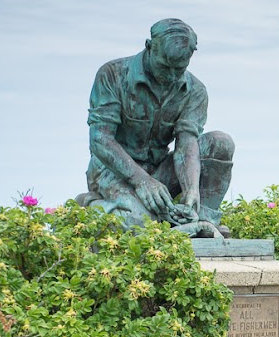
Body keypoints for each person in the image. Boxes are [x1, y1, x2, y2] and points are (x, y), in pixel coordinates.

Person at [76, 18, 233, 237]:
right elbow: (100, 139)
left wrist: (191, 189)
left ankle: (203, 221)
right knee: (143, 225)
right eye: (164, 66)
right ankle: (92, 204)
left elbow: (187, 143)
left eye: (178, 69)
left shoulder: (195, 91)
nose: (169, 76)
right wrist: (141, 180)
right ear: (149, 47)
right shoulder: (112, 74)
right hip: (113, 173)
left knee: (221, 143)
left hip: (160, 173)